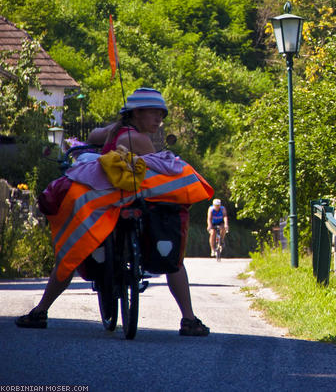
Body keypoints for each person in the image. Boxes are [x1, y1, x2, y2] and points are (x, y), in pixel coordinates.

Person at [15, 87, 211, 336]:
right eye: (155, 114)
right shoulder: (139, 139)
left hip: (103, 205)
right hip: (125, 201)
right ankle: (189, 319)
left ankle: (40, 311)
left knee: (72, 253)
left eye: (162, 116)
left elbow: (94, 135)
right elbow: (155, 173)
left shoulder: (115, 130)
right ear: (137, 113)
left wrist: (108, 133)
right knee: (175, 260)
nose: (159, 120)